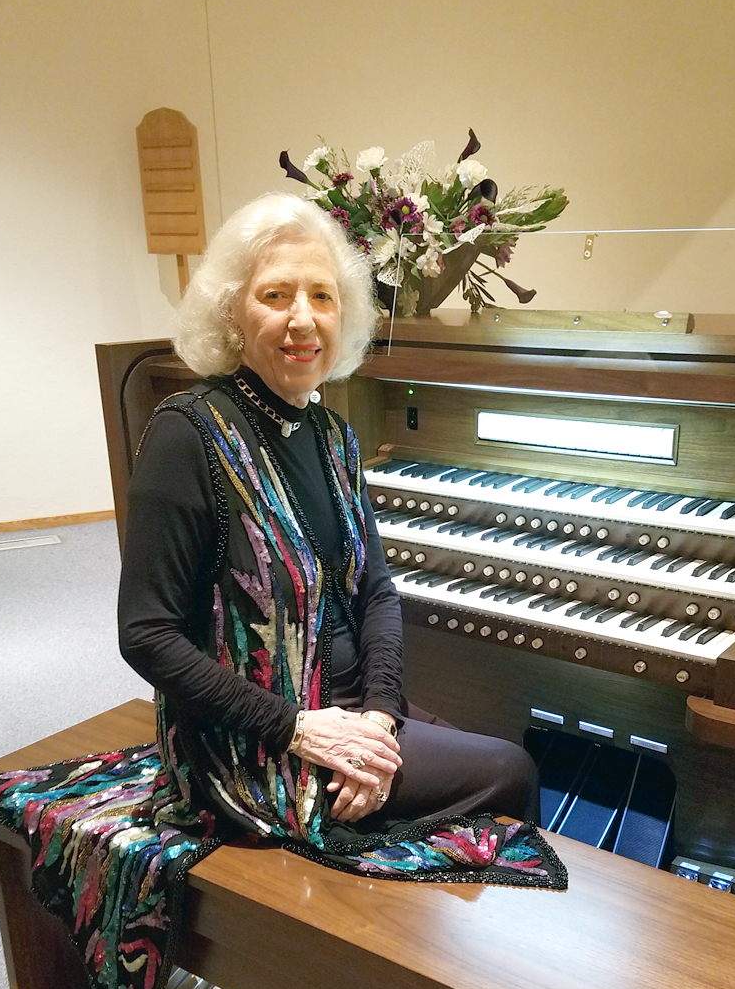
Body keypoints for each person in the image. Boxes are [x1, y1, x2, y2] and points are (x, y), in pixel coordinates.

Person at [118, 192, 541, 855]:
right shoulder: (188, 434)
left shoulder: (332, 435)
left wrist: (379, 718)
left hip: (342, 703)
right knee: (511, 773)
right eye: (276, 296)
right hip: (248, 736)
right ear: (232, 312)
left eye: (322, 296)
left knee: (489, 752)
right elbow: (146, 635)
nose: (302, 320)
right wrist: (304, 731)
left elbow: (376, 592)